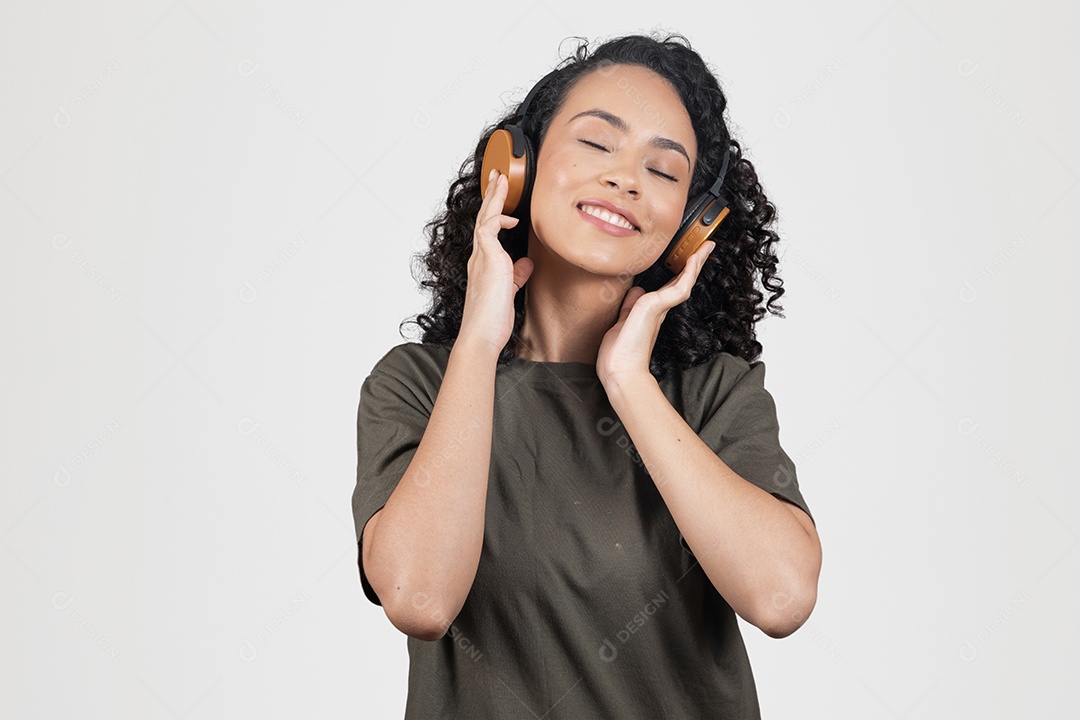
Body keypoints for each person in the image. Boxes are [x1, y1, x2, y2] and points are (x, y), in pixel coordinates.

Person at [351, 31, 822, 719]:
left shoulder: (712, 392)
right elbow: (420, 599)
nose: (626, 179)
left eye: (662, 172)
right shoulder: (417, 385)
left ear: (693, 226)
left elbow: (780, 598)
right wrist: (479, 346)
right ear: (514, 169)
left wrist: (628, 380)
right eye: (597, 144)